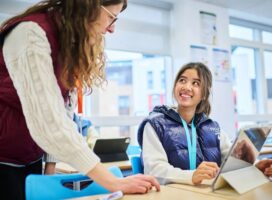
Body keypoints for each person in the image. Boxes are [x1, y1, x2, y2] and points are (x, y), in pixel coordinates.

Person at [0, 0, 160, 199]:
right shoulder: (30, 34)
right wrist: (113, 182)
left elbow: (63, 113)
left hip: (29, 157)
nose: (112, 29)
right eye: (111, 17)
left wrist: (50, 166)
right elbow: (50, 122)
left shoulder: (67, 44)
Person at [137, 62, 272, 185]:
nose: (187, 87)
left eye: (196, 83)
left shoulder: (211, 127)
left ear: (204, 94)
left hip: (206, 194)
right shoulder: (155, 124)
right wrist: (191, 176)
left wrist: (255, 167)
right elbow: (154, 169)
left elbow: (233, 161)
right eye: (182, 80)